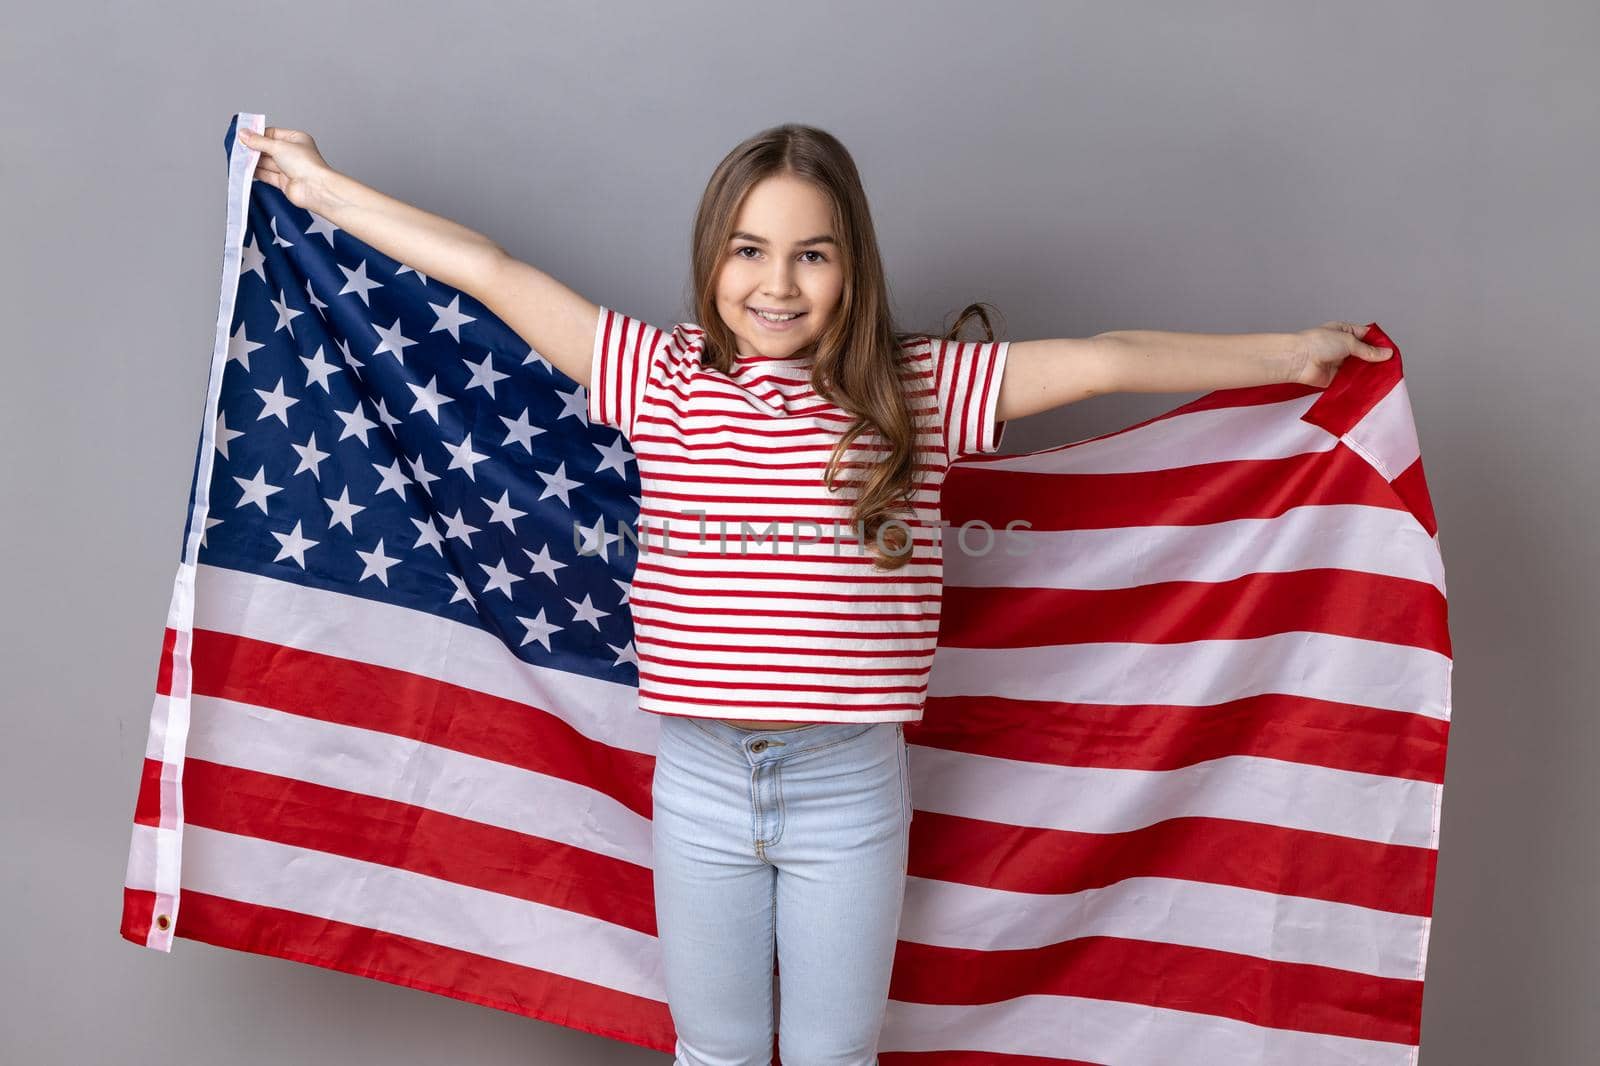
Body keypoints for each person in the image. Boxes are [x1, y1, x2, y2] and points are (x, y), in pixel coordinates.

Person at [237, 120, 1393, 1066]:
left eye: (811, 253)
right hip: (699, 782)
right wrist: (325, 187)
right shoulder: (659, 375)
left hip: (846, 786)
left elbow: (1104, 354)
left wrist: (1284, 352)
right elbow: (489, 270)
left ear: (853, 266)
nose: (775, 283)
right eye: (747, 250)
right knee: (720, 1052)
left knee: (836, 1057)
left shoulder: (916, 389)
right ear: (711, 261)